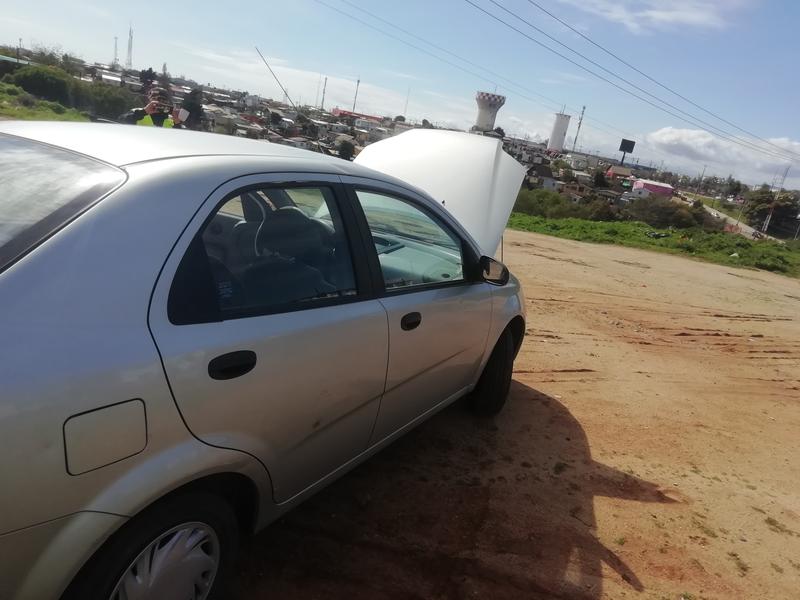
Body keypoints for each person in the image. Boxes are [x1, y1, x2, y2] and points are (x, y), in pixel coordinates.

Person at [119, 87, 184, 128]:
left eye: (164, 101)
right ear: (149, 101)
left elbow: (179, 140)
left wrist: (177, 123)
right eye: (156, 100)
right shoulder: (137, 112)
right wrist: (143, 112)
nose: (160, 103)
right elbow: (121, 120)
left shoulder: (172, 120)